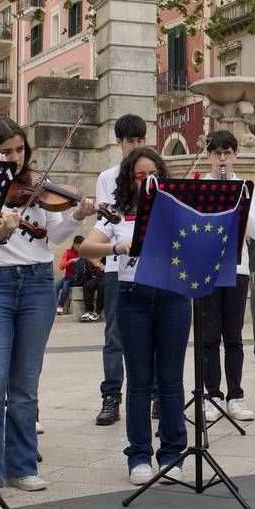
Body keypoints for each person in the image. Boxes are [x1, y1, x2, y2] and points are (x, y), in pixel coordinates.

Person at [0, 118, 95, 500]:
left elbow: (54, 236)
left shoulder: (39, 185)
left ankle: (22, 465)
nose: (15, 158)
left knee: (25, 384)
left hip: (38, 282)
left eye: (20, 150)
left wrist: (76, 216)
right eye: (5, 151)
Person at [78, 147, 187, 483]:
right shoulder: (117, 213)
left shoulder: (176, 209)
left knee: (171, 379)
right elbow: (85, 247)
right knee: (139, 380)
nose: (147, 180)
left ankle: (172, 453)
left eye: (153, 174)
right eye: (141, 175)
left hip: (172, 294)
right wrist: (116, 247)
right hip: (132, 295)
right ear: (130, 178)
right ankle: (139, 456)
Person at [195, 130, 255, 422]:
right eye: (217, 153)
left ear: (236, 155)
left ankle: (236, 395)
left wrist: (239, 207)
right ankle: (212, 395)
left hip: (237, 268)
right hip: (206, 268)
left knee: (233, 336)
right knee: (209, 336)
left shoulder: (245, 188)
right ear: (209, 155)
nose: (222, 159)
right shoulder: (199, 186)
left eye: (227, 153)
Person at [92, 114, 147, 426]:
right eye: (130, 141)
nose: (135, 146)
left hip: (150, 266)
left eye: (140, 140)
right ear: (120, 142)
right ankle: (111, 396)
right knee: (114, 336)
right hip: (117, 265)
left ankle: (155, 394)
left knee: (153, 334)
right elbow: (107, 221)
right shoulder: (107, 177)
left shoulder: (152, 174)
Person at [74, 248, 103, 322]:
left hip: (109, 275)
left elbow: (100, 265)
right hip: (100, 276)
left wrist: (96, 263)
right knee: (87, 285)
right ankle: (89, 310)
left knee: (101, 286)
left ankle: (98, 312)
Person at [56, 235, 82, 314]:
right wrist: (71, 261)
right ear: (74, 244)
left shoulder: (83, 253)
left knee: (65, 284)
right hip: (67, 277)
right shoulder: (68, 252)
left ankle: (60, 306)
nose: (80, 248)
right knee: (55, 286)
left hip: (76, 278)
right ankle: (52, 306)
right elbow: (61, 267)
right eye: (78, 246)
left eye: (81, 246)